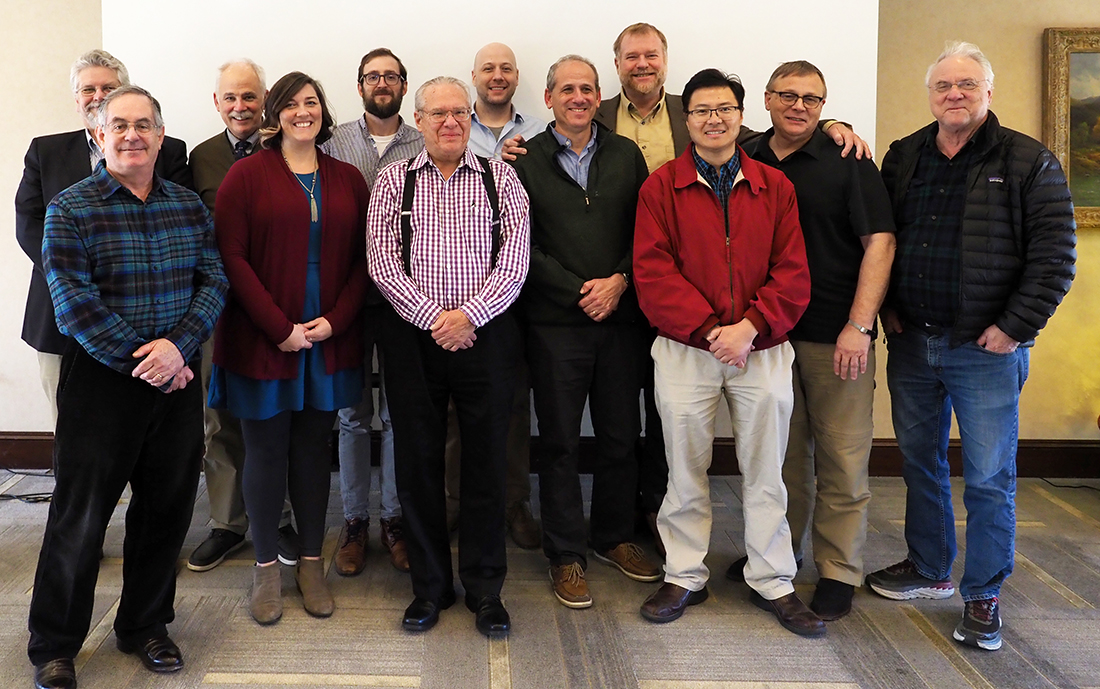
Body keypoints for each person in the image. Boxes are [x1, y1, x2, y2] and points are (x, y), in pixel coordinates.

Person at [865, 41, 1076, 652]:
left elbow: (1055, 258)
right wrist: (889, 310)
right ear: (930, 94)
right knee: (920, 462)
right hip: (912, 341)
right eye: (943, 86)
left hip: (986, 350)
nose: (953, 94)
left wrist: (1013, 327)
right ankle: (930, 568)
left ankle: (983, 593)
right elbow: (882, 240)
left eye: (966, 84)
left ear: (989, 90)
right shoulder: (905, 155)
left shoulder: (1029, 160)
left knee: (988, 477)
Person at [29, 85, 227, 689]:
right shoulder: (71, 208)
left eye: (144, 125)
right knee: (80, 516)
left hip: (176, 377)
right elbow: (72, 304)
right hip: (102, 381)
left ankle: (145, 626)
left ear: (161, 137)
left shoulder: (188, 207)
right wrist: (148, 359)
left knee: (164, 512)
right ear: (99, 134)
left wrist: (177, 349)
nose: (132, 135)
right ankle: (56, 645)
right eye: (119, 125)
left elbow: (213, 282)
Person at [633, 69, 824, 637]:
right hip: (686, 348)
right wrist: (712, 330)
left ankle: (774, 579)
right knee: (684, 466)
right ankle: (685, 572)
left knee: (767, 469)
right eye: (700, 111)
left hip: (761, 347)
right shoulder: (659, 186)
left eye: (724, 109)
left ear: (742, 116)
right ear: (686, 120)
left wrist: (750, 327)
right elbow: (652, 271)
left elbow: (793, 270)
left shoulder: (776, 186)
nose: (713, 119)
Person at [733, 60, 896, 620]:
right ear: (767, 98)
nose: (799, 106)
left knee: (842, 459)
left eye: (812, 98)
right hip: (767, 336)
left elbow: (880, 243)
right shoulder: (744, 153)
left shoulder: (848, 160)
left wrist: (859, 326)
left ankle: (837, 570)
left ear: (824, 106)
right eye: (789, 95)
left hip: (836, 335)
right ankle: (777, 555)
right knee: (778, 463)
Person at [368, 76, 530, 637]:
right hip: (415, 338)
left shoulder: (501, 178)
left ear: (470, 119)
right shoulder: (393, 181)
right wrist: (436, 319)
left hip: (484, 337)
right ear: (418, 120)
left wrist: (469, 318)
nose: (450, 122)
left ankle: (486, 589)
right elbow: (382, 263)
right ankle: (430, 588)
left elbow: (515, 260)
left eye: (459, 112)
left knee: (485, 461)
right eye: (438, 113)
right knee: (417, 463)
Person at [210, 71, 370, 626]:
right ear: (274, 115)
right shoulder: (245, 176)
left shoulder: (349, 178)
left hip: (327, 338)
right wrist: (280, 328)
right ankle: (264, 569)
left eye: (312, 103)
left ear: (324, 112)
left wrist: (335, 320)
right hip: (263, 337)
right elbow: (231, 259)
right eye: (292, 104)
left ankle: (308, 563)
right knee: (266, 452)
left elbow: (363, 262)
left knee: (310, 453)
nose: (304, 112)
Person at [511, 54, 658, 610]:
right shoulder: (524, 160)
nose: (578, 97)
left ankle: (612, 536)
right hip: (554, 325)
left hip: (621, 320)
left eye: (588, 89)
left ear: (600, 98)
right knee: (560, 444)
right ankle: (565, 554)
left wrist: (619, 281)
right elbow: (522, 245)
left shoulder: (625, 154)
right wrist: (580, 289)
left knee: (622, 435)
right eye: (567, 89)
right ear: (548, 98)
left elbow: (645, 232)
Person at [16, 49, 190, 423]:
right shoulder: (46, 151)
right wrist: (72, 277)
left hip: (149, 320)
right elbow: (28, 222)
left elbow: (179, 225)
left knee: (149, 434)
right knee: (74, 437)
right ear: (76, 98)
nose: (97, 96)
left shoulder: (168, 149)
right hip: (61, 316)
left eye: (107, 87)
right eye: (87, 89)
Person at [186, 58, 301, 573]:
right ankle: (228, 523)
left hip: (280, 307)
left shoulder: (292, 150)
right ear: (216, 103)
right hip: (219, 307)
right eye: (230, 98)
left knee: (277, 414)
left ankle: (277, 519)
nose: (240, 107)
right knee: (221, 417)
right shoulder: (200, 158)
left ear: (266, 100)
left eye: (250, 97)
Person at [439, 41, 546, 551]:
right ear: (474, 76)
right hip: (454, 299)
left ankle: (513, 501)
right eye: (488, 68)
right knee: (459, 410)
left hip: (521, 288)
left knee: (512, 404)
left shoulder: (542, 131)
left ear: (517, 75)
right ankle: (457, 500)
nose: (497, 75)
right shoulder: (456, 127)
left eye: (506, 67)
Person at [322, 47, 423, 576]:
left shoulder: (426, 137)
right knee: (352, 415)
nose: (381, 82)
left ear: (405, 85)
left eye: (391, 75)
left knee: (402, 413)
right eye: (372, 76)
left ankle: (396, 517)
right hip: (347, 299)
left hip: (409, 299)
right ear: (358, 84)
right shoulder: (332, 140)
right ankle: (356, 521)